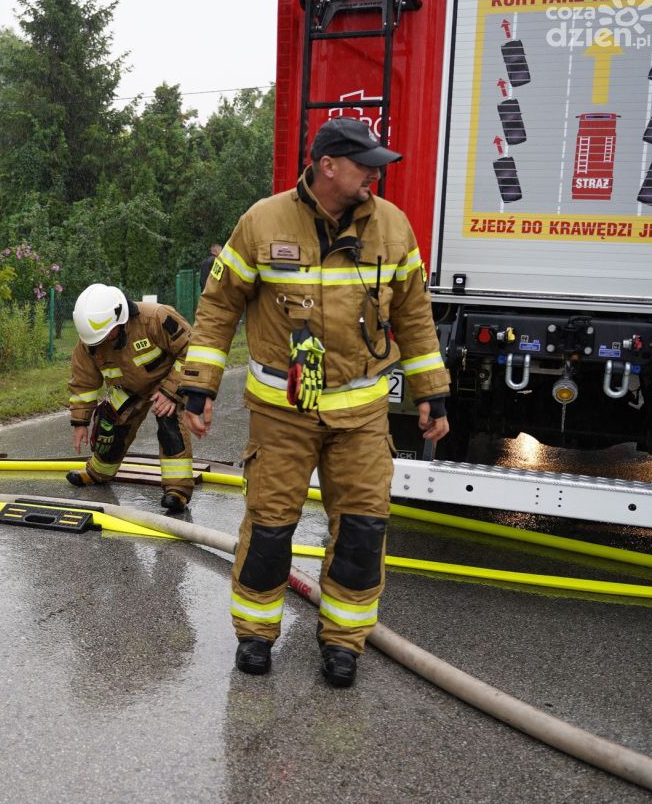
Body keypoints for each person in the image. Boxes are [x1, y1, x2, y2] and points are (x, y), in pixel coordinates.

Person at [180, 118, 450, 688]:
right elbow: (218, 307)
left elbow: (415, 317)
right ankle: (255, 636)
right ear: (328, 165)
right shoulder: (262, 221)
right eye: (365, 165)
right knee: (271, 529)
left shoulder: (393, 228)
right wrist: (199, 384)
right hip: (282, 413)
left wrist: (432, 391)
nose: (376, 175)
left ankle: (344, 642)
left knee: (361, 531)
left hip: (362, 417)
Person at [65, 284, 195, 512]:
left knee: (169, 425)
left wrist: (172, 392)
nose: (102, 342)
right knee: (110, 425)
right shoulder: (89, 343)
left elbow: (192, 350)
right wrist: (80, 422)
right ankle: (99, 473)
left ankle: (178, 491)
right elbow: (83, 382)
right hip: (128, 388)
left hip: (168, 383)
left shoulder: (156, 318)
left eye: (106, 334)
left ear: (120, 319)